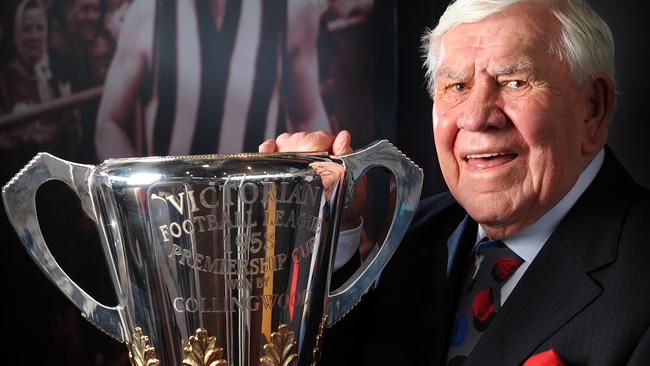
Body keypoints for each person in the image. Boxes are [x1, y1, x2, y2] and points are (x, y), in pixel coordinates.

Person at [259, 0, 650, 365]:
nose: (476, 117)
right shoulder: (410, 238)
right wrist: (334, 228)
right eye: (457, 87)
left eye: (514, 81)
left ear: (592, 109)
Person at [94, 0, 330, 160]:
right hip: (171, 215)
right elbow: (109, 122)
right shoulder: (150, 12)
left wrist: (334, 196)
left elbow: (307, 116)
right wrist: (136, 197)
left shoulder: (289, 11)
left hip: (261, 211)